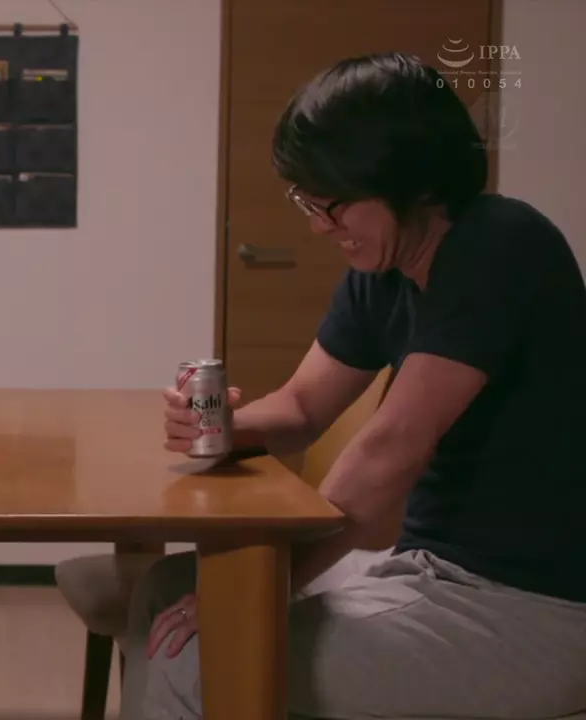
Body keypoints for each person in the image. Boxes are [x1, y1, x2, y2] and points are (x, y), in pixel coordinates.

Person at [120, 52, 586, 719]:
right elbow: (302, 405)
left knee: (204, 658)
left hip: (531, 608)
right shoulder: (384, 274)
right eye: (309, 202)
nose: (318, 226)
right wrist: (224, 428)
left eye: (332, 204)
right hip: (423, 569)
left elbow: (394, 447)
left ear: (410, 181)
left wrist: (274, 582)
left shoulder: (500, 245)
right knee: (171, 587)